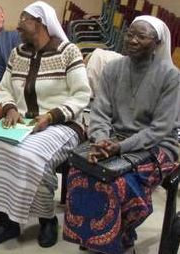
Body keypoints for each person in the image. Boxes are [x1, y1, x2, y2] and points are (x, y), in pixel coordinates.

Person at [0, 1, 92, 248]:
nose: (17, 26)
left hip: (62, 124)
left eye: (24, 20)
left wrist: (52, 116)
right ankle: (7, 222)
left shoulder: (68, 52)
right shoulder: (18, 53)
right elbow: (4, 88)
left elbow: (82, 95)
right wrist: (10, 108)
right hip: (25, 121)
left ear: (40, 23)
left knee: (29, 154)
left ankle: (46, 218)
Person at [63, 16, 180, 254]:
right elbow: (99, 110)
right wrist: (100, 138)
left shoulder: (171, 76)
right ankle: (96, 238)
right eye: (129, 34)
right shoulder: (113, 68)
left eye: (141, 36)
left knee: (118, 183)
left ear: (156, 43)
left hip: (157, 145)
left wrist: (120, 147)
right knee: (80, 172)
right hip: (112, 138)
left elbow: (160, 128)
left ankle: (121, 240)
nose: (132, 40)